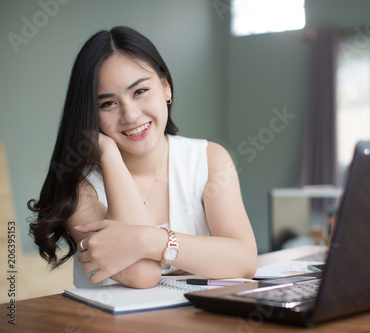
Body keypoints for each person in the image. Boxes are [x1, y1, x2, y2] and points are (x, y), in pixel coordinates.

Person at [28, 26, 258, 289]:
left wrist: (150, 241)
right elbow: (141, 275)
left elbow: (244, 261)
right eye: (108, 104)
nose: (131, 115)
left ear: (166, 87)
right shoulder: (79, 185)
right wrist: (108, 155)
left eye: (139, 91)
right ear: (90, 114)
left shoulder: (208, 158)